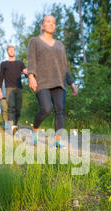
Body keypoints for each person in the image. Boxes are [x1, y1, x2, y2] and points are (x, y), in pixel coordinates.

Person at [27, 15, 78, 149]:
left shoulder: (60, 45)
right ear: (42, 25)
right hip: (42, 82)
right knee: (46, 108)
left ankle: (58, 141)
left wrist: (71, 83)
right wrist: (31, 76)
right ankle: (35, 130)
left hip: (59, 81)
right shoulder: (35, 41)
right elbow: (31, 59)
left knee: (60, 111)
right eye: (48, 21)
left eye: (53, 22)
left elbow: (64, 66)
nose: (51, 24)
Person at [0, 45, 27, 134]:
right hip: (9, 88)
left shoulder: (20, 63)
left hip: (19, 88)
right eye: (9, 50)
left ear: (14, 51)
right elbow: (1, 77)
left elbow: (26, 72)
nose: (11, 51)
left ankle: (15, 124)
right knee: (11, 108)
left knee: (18, 109)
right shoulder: (4, 64)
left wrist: (28, 73)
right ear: (7, 52)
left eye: (13, 50)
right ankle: (11, 128)